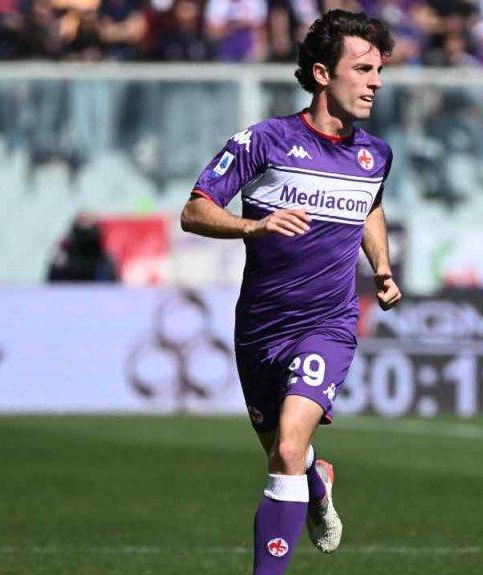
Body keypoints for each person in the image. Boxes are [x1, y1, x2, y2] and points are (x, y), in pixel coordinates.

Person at [179, 10, 399, 575]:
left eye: (380, 70)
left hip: (327, 324)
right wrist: (254, 225)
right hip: (260, 329)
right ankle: (316, 482)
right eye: (364, 68)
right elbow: (195, 210)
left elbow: (369, 203)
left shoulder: (374, 154)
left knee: (285, 450)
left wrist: (382, 266)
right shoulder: (266, 141)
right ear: (323, 74)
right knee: (287, 455)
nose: (376, 81)